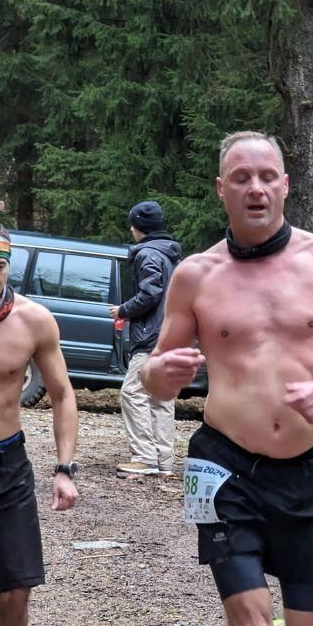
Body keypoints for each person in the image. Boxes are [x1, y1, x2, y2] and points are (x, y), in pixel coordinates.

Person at [140, 132, 313, 626]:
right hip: (223, 465)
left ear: (285, 185)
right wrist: (158, 374)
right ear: (221, 189)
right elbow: (153, 376)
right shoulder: (195, 275)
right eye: (241, 178)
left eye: (267, 176)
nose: (256, 188)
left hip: (307, 471)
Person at [0, 220, 78, 626]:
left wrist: (65, 468)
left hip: (7, 468)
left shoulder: (34, 320)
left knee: (16, 591)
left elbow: (62, 394)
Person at [111, 201, 182, 478]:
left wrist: (123, 310)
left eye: (132, 224)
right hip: (171, 335)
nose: (131, 229)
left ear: (138, 226)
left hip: (151, 337)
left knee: (132, 392)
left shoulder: (148, 254)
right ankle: (164, 461)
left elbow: (150, 293)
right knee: (160, 396)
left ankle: (144, 457)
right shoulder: (169, 253)